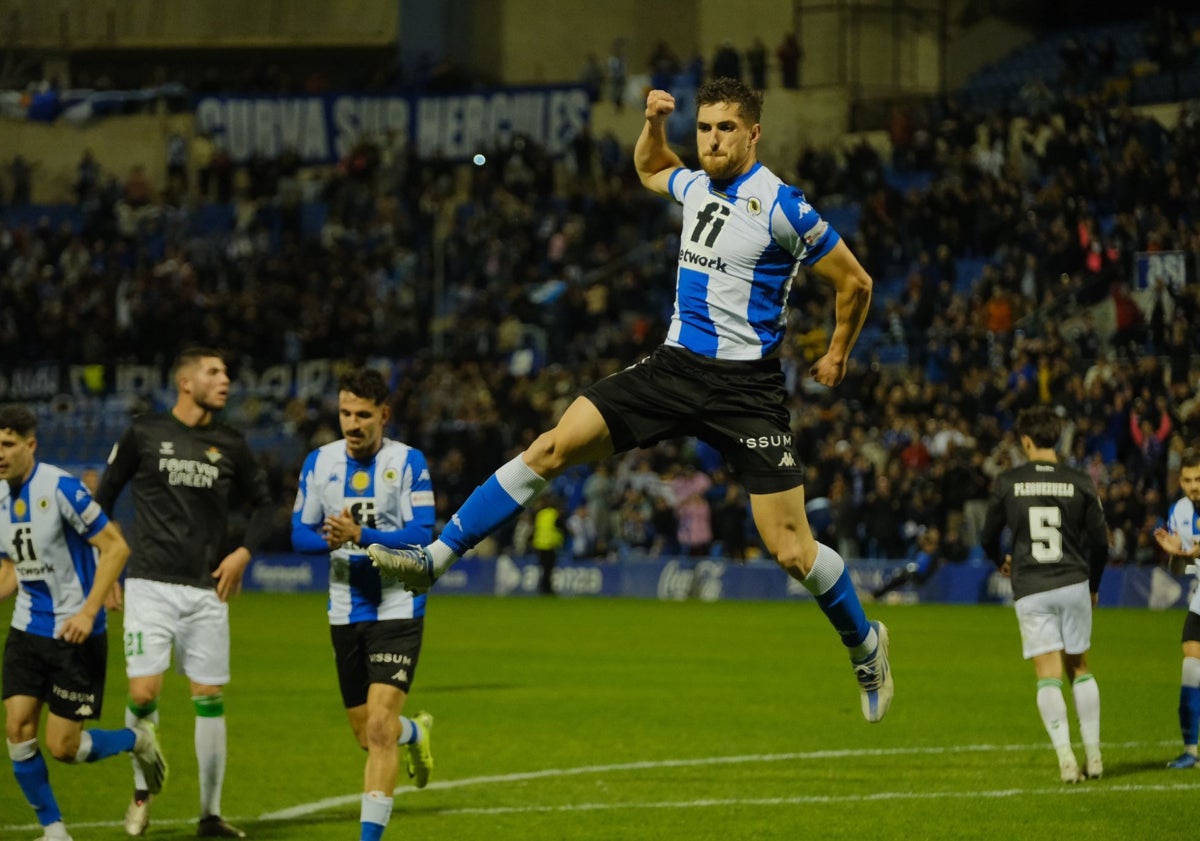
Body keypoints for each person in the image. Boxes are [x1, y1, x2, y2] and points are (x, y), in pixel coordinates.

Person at [371, 78, 893, 723]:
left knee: (791, 551)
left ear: (754, 133)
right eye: (704, 128)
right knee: (552, 444)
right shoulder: (696, 185)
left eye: (726, 128)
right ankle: (434, 559)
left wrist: (839, 351)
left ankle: (864, 644)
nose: (711, 140)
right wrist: (653, 124)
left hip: (745, 390)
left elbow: (855, 281)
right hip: (672, 368)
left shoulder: (783, 206)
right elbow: (650, 166)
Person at [95, 348, 274, 838]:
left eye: (227, 372)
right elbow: (102, 500)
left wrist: (243, 553)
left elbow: (265, 506)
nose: (226, 380)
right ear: (184, 379)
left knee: (208, 695)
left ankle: (210, 815)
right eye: (214, 372)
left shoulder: (231, 443)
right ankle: (141, 791)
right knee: (143, 692)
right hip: (149, 584)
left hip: (205, 591)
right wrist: (107, 568)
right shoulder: (144, 432)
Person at [0, 405, 166, 841]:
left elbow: (115, 548)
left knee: (64, 748)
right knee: (17, 730)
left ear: (30, 445)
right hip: (27, 630)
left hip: (75, 634)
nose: (0, 454)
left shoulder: (60, 489)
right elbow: (10, 570)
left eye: (7, 444)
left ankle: (137, 741)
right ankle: (55, 831)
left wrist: (89, 610)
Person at [290, 369, 436, 841]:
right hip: (343, 609)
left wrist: (362, 535)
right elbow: (298, 533)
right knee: (367, 734)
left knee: (377, 728)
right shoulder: (319, 462)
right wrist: (330, 539)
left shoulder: (409, 462)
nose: (352, 424)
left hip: (398, 607)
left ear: (384, 416)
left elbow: (421, 534)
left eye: (363, 415)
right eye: (345, 413)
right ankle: (415, 732)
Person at [980, 406, 1108, 783]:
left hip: (1031, 586)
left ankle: (1067, 759)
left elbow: (988, 536)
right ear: (1058, 437)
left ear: (1026, 441)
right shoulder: (1080, 480)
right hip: (1073, 582)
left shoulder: (1008, 481)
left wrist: (1001, 560)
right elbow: (1101, 543)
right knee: (1079, 667)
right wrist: (1094, 585)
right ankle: (1096, 756)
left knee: (1047, 675)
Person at [1154, 452, 1200, 769]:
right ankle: (1191, 750)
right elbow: (1180, 569)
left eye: (1198, 479)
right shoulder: (1179, 511)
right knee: (1190, 669)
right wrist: (1175, 554)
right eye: (1187, 480)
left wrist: (1189, 551)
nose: (1193, 486)